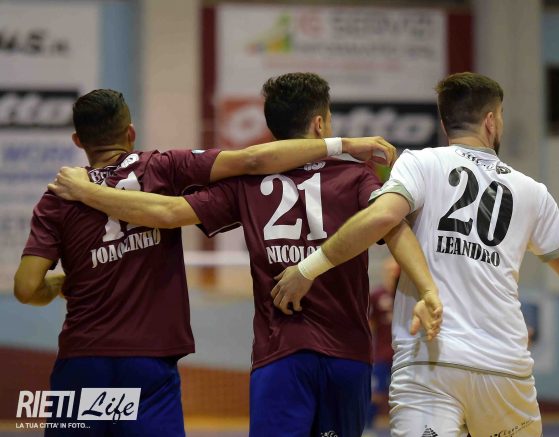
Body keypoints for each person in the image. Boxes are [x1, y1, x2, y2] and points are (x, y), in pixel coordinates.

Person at [47, 74, 441, 437]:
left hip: (280, 354)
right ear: (320, 124)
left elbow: (166, 213)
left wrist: (88, 192)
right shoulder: (356, 176)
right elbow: (393, 226)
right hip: (347, 353)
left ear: (272, 129)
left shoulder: (247, 184)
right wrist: (427, 290)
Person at [271, 72, 559, 437]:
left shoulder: (420, 163)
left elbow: (382, 218)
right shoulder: (532, 191)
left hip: (430, 361)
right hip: (504, 369)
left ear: (446, 123)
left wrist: (308, 269)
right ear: (491, 121)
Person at [365, 257, 400, 434]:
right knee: (377, 392)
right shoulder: (377, 295)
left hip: (402, 355)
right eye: (391, 270)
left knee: (399, 394)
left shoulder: (407, 295)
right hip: (381, 355)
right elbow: (369, 325)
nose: (393, 274)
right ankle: (368, 427)